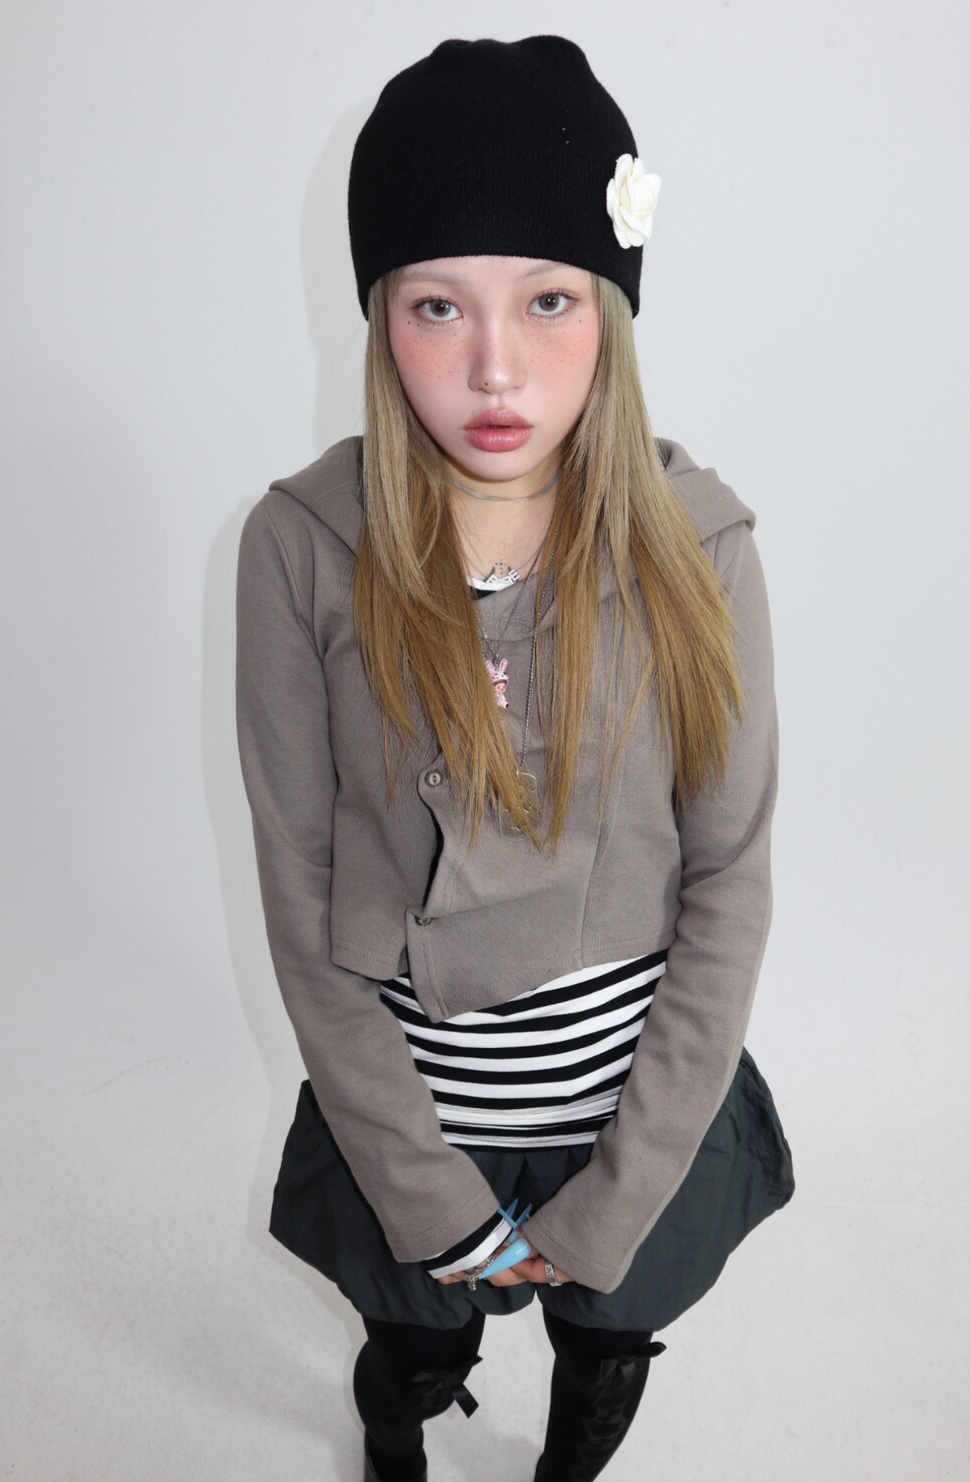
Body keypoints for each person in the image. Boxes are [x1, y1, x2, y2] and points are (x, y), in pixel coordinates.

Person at [235, 34, 794, 1482]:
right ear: (380, 319)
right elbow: (302, 900)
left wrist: (614, 1200)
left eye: (548, 299)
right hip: (407, 1115)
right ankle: (401, 1416)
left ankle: (574, 1446)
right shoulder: (302, 548)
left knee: (610, 1340)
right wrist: (430, 1197)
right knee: (415, 1341)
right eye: (439, 304)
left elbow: (729, 881)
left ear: (612, 307)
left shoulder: (703, 548)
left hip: (641, 1115)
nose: (496, 366)